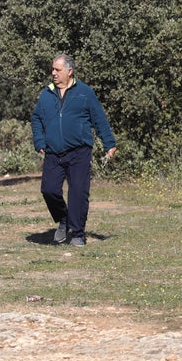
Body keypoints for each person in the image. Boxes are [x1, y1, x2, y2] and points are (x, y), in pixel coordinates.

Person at [31, 54, 117, 246]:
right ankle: (63, 219)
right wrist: (40, 141)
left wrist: (109, 143)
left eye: (57, 70)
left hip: (79, 151)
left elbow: (99, 118)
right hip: (53, 152)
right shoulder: (46, 94)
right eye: (52, 69)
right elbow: (36, 118)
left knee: (78, 192)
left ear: (69, 71)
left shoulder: (85, 92)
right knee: (49, 190)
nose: (53, 73)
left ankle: (78, 234)